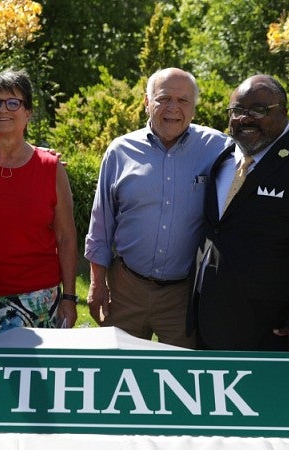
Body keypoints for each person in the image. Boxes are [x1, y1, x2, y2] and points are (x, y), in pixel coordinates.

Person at [189, 74, 289, 364]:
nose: (246, 118)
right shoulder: (222, 161)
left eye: (259, 110)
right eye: (237, 110)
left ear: (283, 111)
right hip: (213, 324)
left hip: (276, 333)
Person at [85, 67, 229, 349]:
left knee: (178, 379)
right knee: (119, 373)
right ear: (146, 102)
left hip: (183, 295)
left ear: (194, 107)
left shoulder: (219, 149)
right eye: (163, 99)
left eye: (183, 100)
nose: (173, 108)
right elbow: (101, 224)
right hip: (126, 288)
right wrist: (97, 283)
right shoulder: (120, 151)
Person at [0, 68, 78, 338]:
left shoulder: (50, 166)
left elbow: (66, 236)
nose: (3, 109)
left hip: (40, 301)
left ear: (28, 113)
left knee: (38, 379)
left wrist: (70, 298)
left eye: (13, 102)